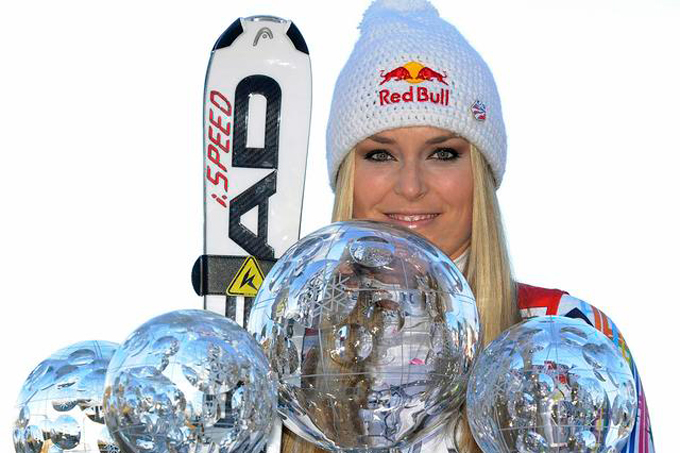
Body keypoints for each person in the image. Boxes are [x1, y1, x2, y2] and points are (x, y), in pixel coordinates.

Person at [282, 0, 654, 451]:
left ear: (481, 174)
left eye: (444, 154)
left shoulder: (567, 334)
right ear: (347, 177)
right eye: (380, 154)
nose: (411, 186)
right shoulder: (287, 349)